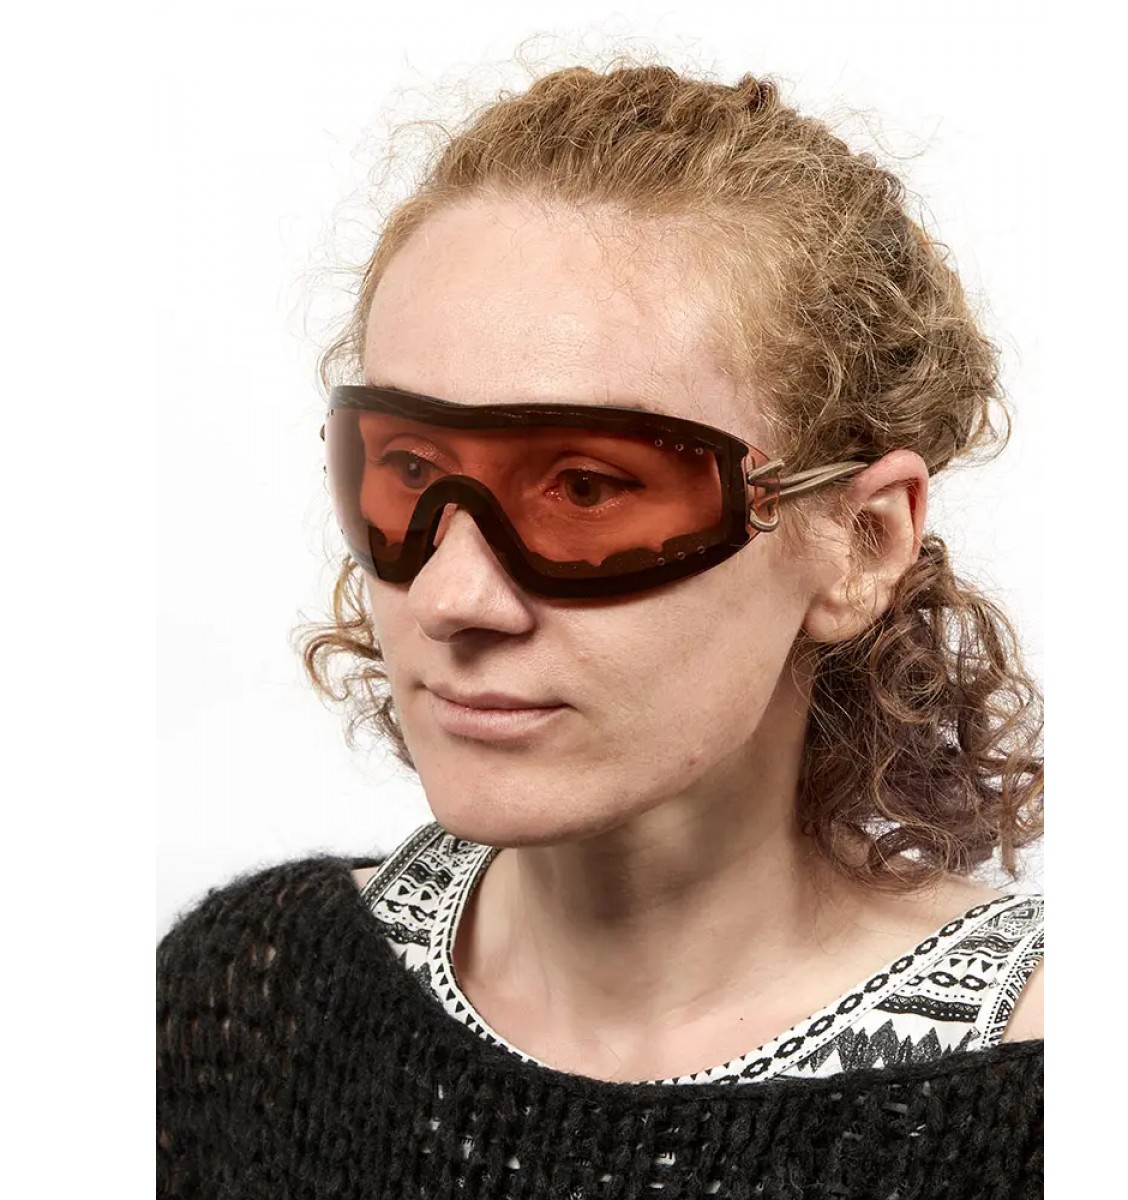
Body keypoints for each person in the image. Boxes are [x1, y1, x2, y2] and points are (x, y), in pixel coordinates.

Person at [157, 63, 1044, 1198]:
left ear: (861, 542)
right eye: (411, 470)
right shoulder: (250, 1005)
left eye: (585, 488)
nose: (453, 598)